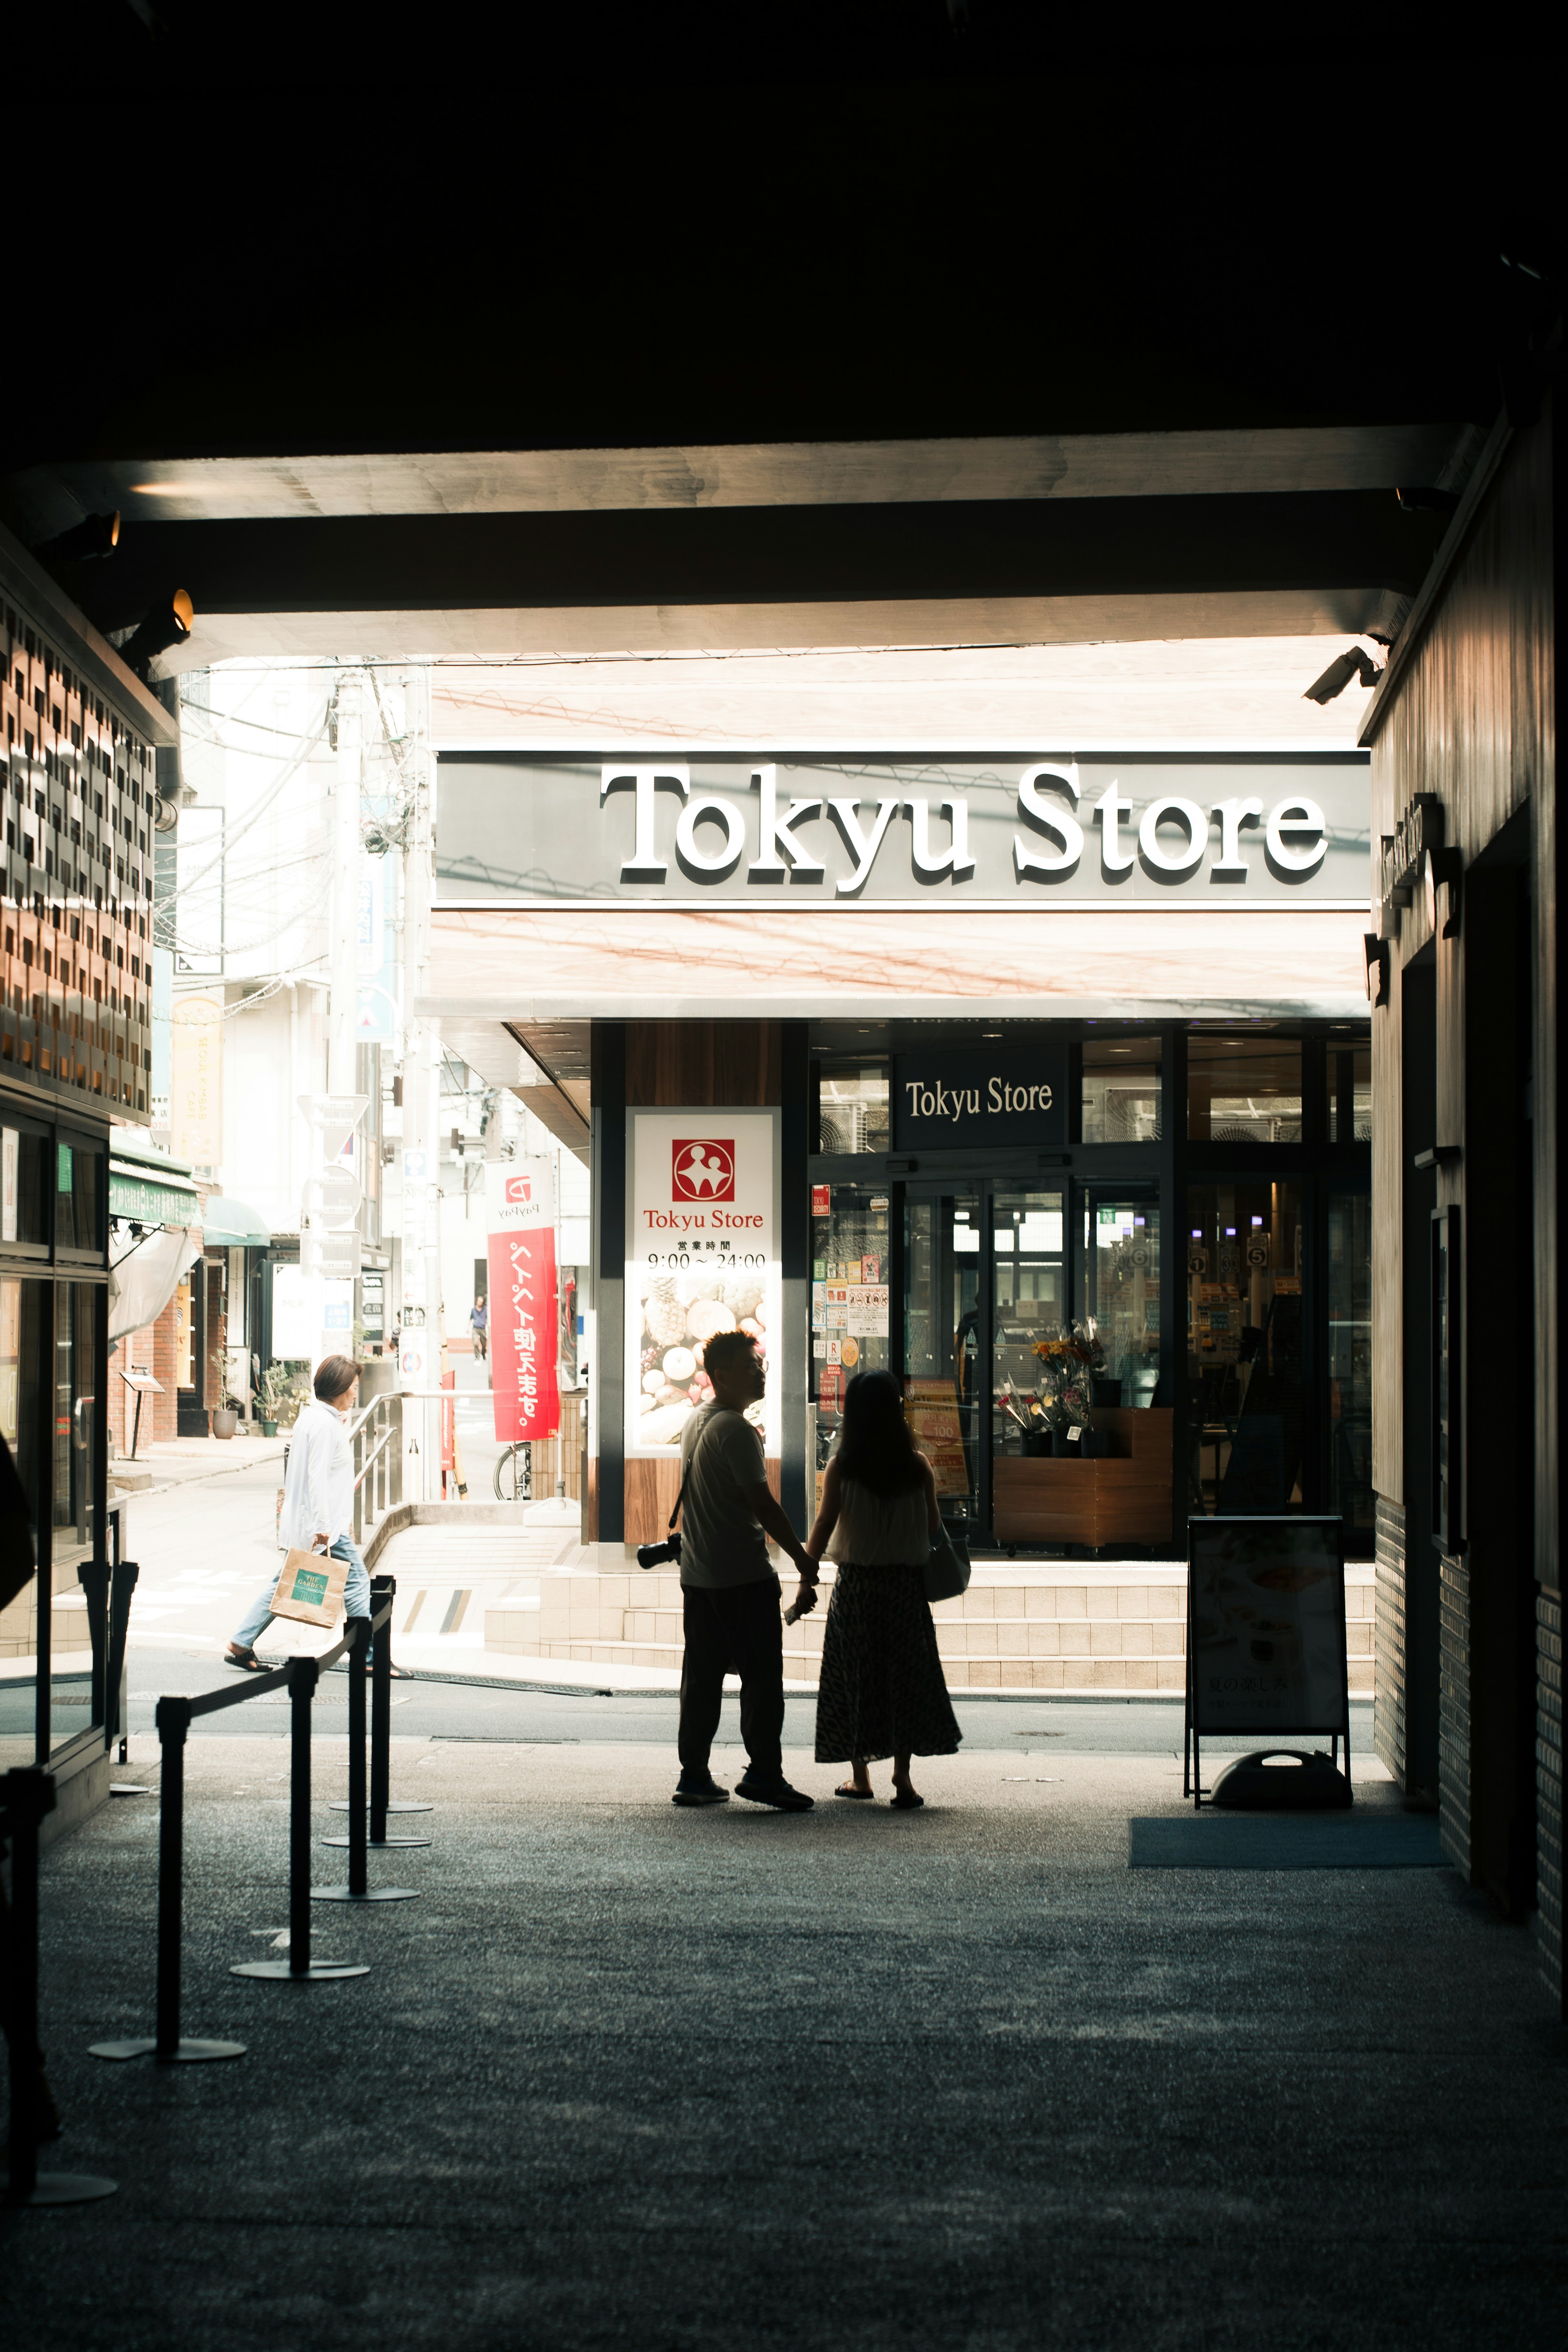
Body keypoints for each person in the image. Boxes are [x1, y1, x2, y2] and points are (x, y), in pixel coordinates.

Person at [671, 1328, 818, 1812]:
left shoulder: (698, 1420)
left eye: (761, 1365)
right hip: (742, 1576)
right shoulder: (736, 1430)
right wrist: (802, 1557)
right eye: (750, 1366)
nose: (760, 1372)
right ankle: (764, 1775)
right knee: (761, 1679)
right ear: (720, 1376)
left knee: (702, 1678)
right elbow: (763, 1504)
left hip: (700, 1576)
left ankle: (694, 1774)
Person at [806, 1368, 962, 1809]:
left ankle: (860, 1777)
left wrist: (806, 1571)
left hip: (857, 1588)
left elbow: (824, 1523)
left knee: (856, 1678)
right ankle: (904, 1779)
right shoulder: (917, 1466)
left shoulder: (842, 1467)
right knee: (904, 1679)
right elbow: (933, 1525)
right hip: (905, 1590)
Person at [225, 1355, 397, 1673]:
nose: (356, 1395)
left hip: (317, 1521)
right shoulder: (324, 1425)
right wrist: (323, 1527)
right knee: (357, 1581)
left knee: (286, 1583)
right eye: (354, 1388)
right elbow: (316, 1477)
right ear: (339, 1388)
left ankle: (241, 1641)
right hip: (325, 1525)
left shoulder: (316, 1419)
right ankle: (370, 1657)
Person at [470, 1293, 488, 1361]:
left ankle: (483, 1354)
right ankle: (477, 1356)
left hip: (482, 1328)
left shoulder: (485, 1309)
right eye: (479, 1302)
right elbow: (471, 1319)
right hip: (475, 1328)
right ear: (477, 1302)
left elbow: (488, 1317)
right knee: (476, 1343)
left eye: (482, 1302)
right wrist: (468, 1328)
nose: (480, 1303)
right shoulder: (473, 1310)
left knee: (484, 1343)